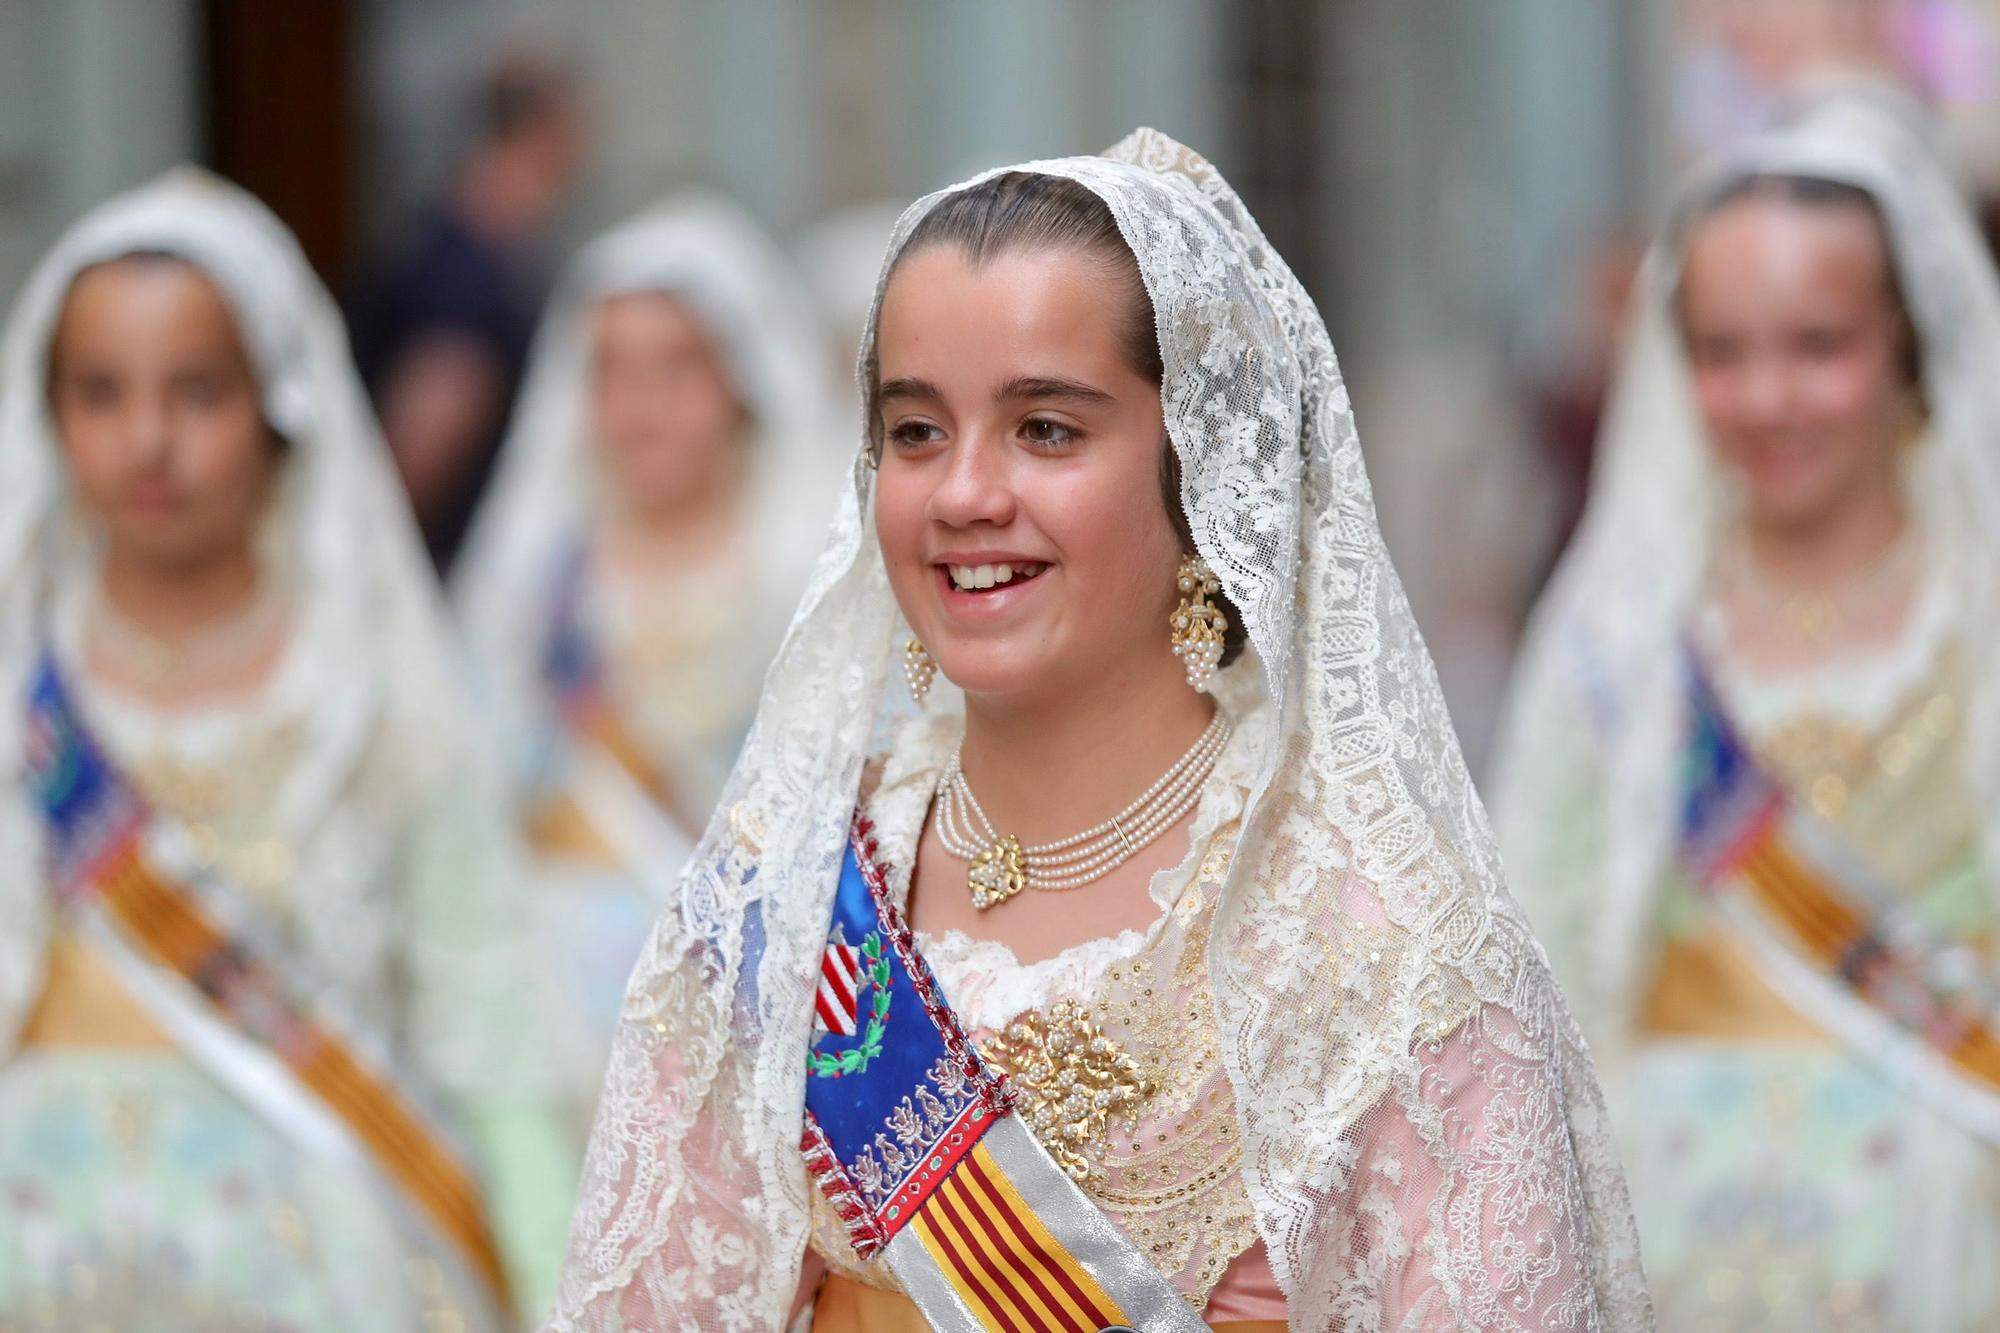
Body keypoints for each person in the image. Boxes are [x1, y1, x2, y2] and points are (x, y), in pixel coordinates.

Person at [547, 130, 1649, 1332]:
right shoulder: (780, 913)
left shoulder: (1378, 948)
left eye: (1046, 430)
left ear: (1199, 472)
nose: (964, 492)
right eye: (916, 431)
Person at [0, 169, 575, 1329]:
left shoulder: (376, 693)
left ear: (279, 402)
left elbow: (486, 1009)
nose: (146, 441)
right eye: (99, 394)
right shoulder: (21, 679)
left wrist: (550, 1270)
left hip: (324, 1250)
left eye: (198, 392)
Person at [1493, 89, 2000, 1329]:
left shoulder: (1979, 616)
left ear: (1907, 343)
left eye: (1817, 345)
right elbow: (1533, 962)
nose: (1767, 397)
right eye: (1722, 351)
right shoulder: (1617, 643)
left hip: (1950, 1236)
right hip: (1671, 1243)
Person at [453, 194, 840, 1121]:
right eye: (613, 372)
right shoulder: (541, 580)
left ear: (741, 378)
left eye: (676, 369)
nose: (640, 408)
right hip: (553, 1021)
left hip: (755, 1012)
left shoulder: (804, 572)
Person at [347, 47, 589, 574]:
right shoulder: (467, 272)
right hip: (445, 573)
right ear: (548, 134)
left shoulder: (470, 248)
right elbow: (430, 434)